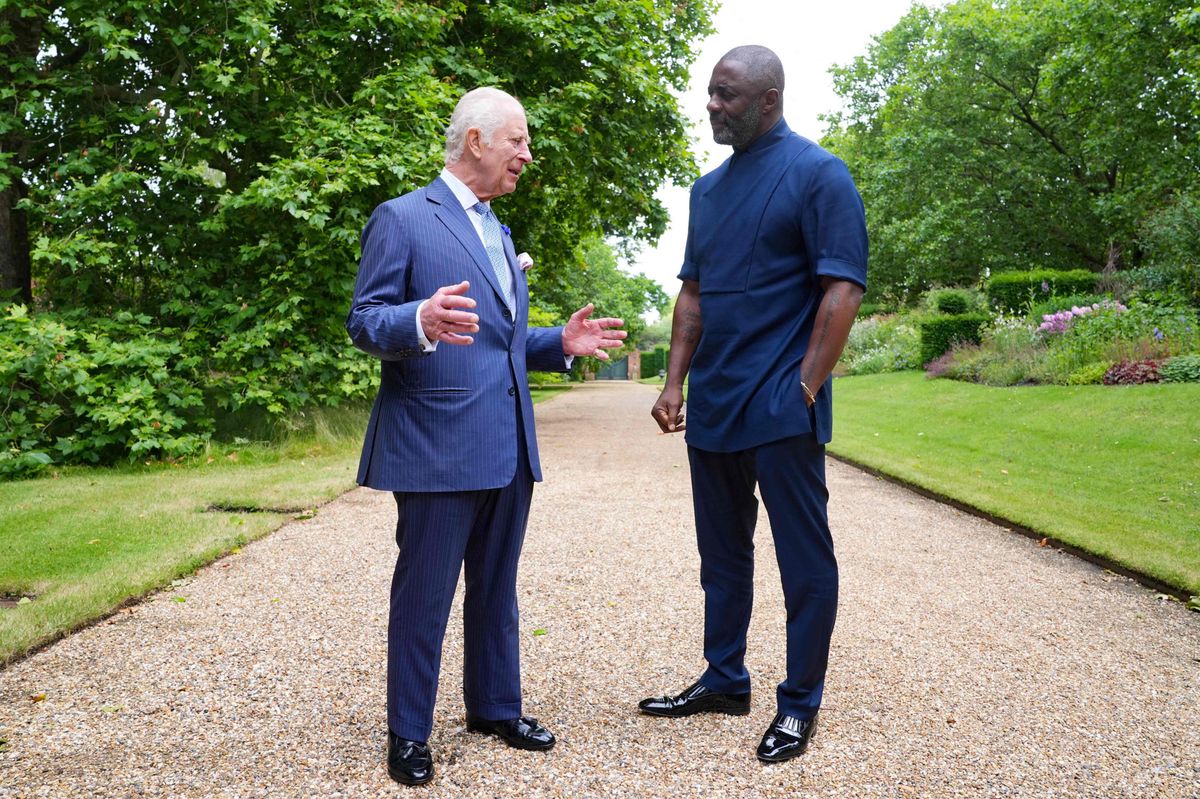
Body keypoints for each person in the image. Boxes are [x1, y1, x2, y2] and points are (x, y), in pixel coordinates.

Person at [346, 87, 626, 786]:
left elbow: (497, 343)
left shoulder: (499, 231)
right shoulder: (403, 218)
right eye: (519, 141)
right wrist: (417, 318)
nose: (527, 155)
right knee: (425, 596)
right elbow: (365, 321)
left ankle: (495, 707)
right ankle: (408, 733)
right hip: (435, 445)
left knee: (497, 590)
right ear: (476, 140)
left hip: (508, 445)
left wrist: (556, 342)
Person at [640, 45, 868, 763]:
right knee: (721, 556)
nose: (711, 105)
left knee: (803, 561)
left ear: (768, 100)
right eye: (710, 92)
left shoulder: (820, 175)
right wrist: (674, 382)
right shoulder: (706, 193)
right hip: (715, 403)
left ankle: (799, 703)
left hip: (780, 401)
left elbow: (843, 289)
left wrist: (803, 387)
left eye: (726, 95)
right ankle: (724, 677)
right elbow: (693, 295)